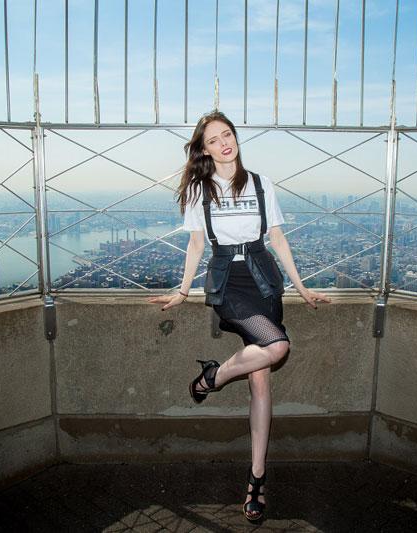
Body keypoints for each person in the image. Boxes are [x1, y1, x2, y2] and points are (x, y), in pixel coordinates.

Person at [148, 110, 330, 522]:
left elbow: (278, 238)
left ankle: (256, 478)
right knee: (277, 346)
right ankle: (213, 377)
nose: (224, 143)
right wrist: (182, 291)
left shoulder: (262, 183)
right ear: (204, 149)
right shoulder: (200, 190)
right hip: (228, 279)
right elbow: (197, 244)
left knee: (262, 383)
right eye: (213, 139)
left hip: (264, 277)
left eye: (227, 134)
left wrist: (300, 287)